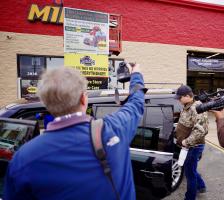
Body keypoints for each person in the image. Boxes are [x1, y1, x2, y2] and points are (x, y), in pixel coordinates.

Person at [4, 65, 145, 200]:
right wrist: (136, 74)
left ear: (46, 104)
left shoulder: (23, 159)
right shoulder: (114, 129)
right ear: (84, 98)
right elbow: (136, 103)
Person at [174, 85, 209, 200]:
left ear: (188, 96)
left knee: (189, 173)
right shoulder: (187, 106)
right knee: (191, 169)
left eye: (180, 98)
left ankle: (189, 198)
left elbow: (201, 130)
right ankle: (201, 186)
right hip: (188, 146)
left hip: (194, 146)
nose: (178, 100)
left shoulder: (197, 107)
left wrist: (186, 142)